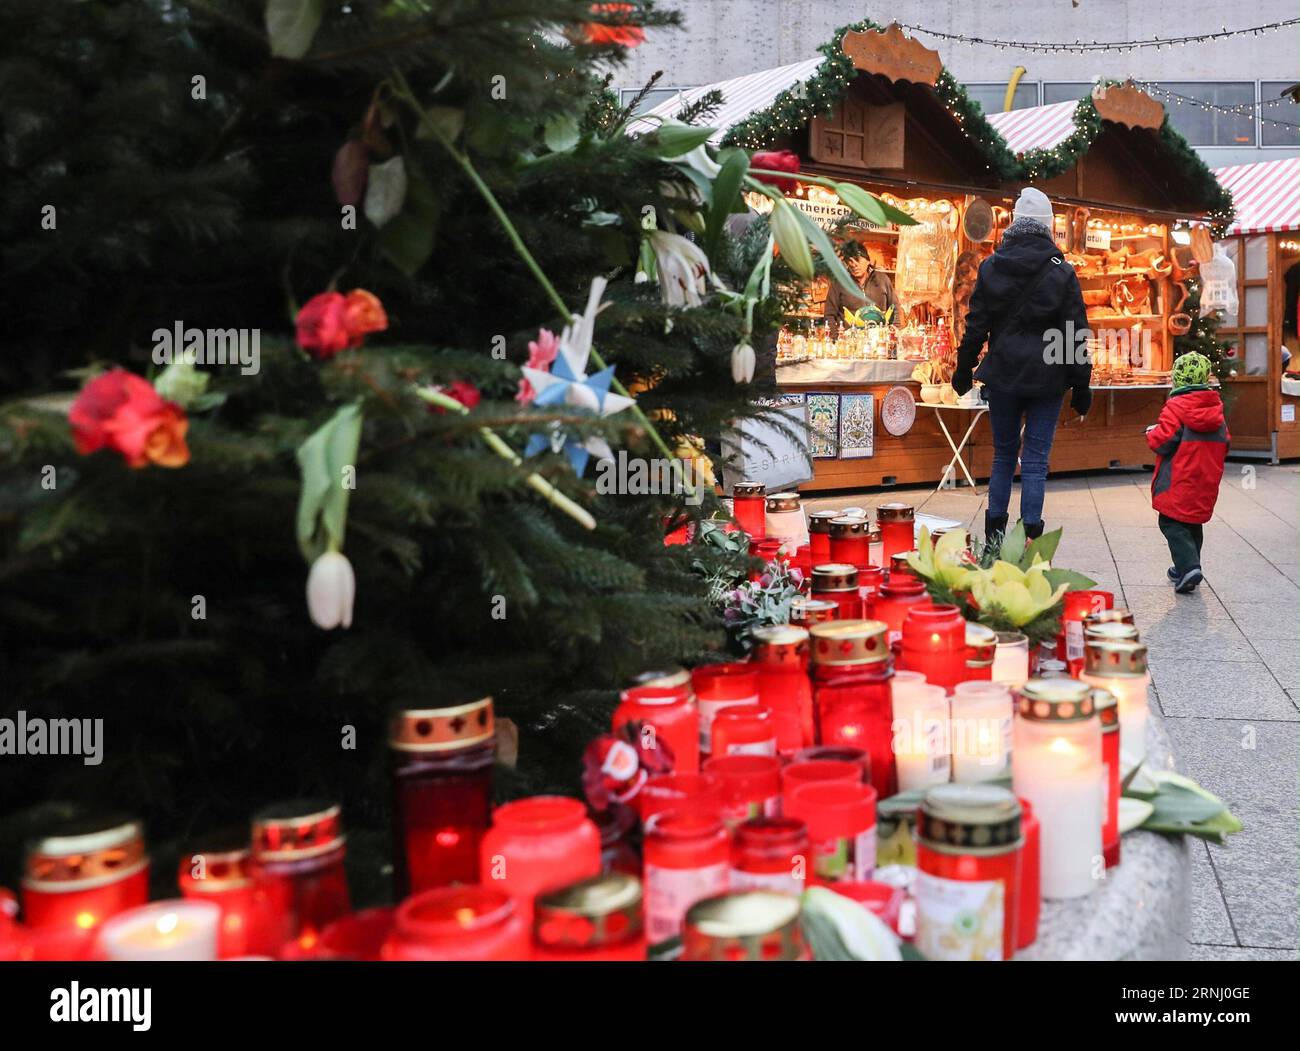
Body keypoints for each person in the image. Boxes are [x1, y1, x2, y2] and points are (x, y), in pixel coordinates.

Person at [952, 187, 1092, 541]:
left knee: (1002, 456)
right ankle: (1031, 535)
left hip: (1003, 375)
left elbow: (977, 323)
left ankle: (996, 536)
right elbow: (1074, 331)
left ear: (1014, 224)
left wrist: (964, 367)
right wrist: (1081, 383)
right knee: (1035, 459)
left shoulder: (992, 266)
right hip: (1048, 375)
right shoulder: (1062, 270)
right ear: (1047, 227)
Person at [1145, 352, 1229, 594]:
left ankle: (1189, 566)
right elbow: (1226, 442)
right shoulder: (1216, 409)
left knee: (1171, 522)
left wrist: (1152, 433)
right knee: (1193, 523)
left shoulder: (1176, 407)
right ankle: (1186, 568)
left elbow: (1163, 442)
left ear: (1177, 379)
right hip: (1205, 480)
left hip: (1179, 479)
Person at [823, 242, 896, 337]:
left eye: (858, 260)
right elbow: (829, 315)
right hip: (849, 341)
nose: (854, 265)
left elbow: (895, 308)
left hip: (879, 340)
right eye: (850, 261)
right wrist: (835, 339)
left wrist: (894, 334)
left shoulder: (883, 280)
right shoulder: (839, 283)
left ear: (867, 260)